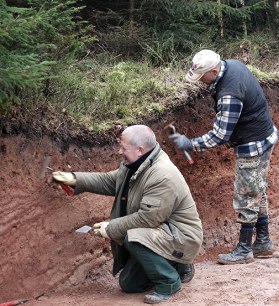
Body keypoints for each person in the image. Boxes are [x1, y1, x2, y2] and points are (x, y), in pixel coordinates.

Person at [52, 125, 203, 304]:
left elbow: (148, 218)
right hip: (162, 232)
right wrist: (75, 179)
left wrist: (111, 227)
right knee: (129, 284)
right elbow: (109, 181)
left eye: (123, 147)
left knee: (133, 236)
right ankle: (177, 265)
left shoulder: (162, 175)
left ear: (140, 150)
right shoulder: (135, 164)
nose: (119, 151)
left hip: (181, 237)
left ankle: (169, 282)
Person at [169, 49, 278, 265]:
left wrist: (190, 143)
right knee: (258, 190)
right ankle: (263, 242)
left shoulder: (229, 94)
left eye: (202, 77)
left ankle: (245, 249)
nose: (200, 82)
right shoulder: (233, 64)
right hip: (265, 136)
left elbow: (220, 135)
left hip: (253, 144)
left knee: (246, 195)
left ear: (214, 70)